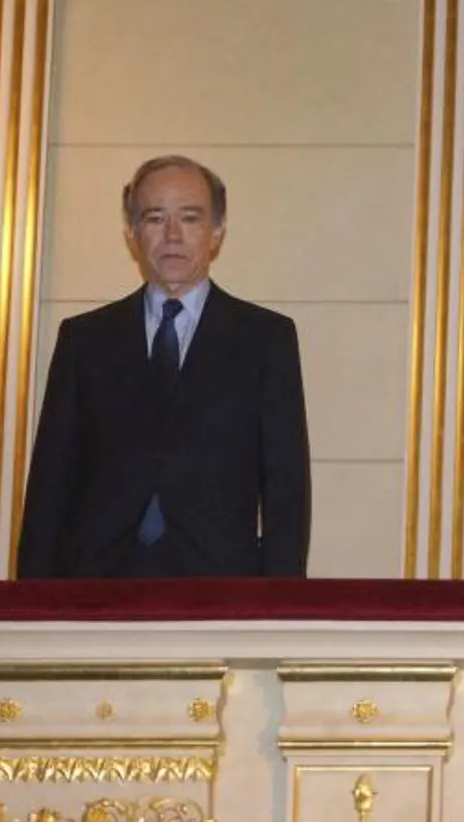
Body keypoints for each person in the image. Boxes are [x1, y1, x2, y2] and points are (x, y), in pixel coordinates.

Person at [17, 156, 312, 578]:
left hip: (221, 582)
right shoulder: (85, 340)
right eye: (155, 218)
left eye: (190, 218)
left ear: (217, 231)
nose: (172, 235)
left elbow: (287, 486)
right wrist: (34, 601)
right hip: (96, 582)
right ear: (132, 232)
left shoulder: (266, 339)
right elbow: (51, 481)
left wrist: (280, 604)